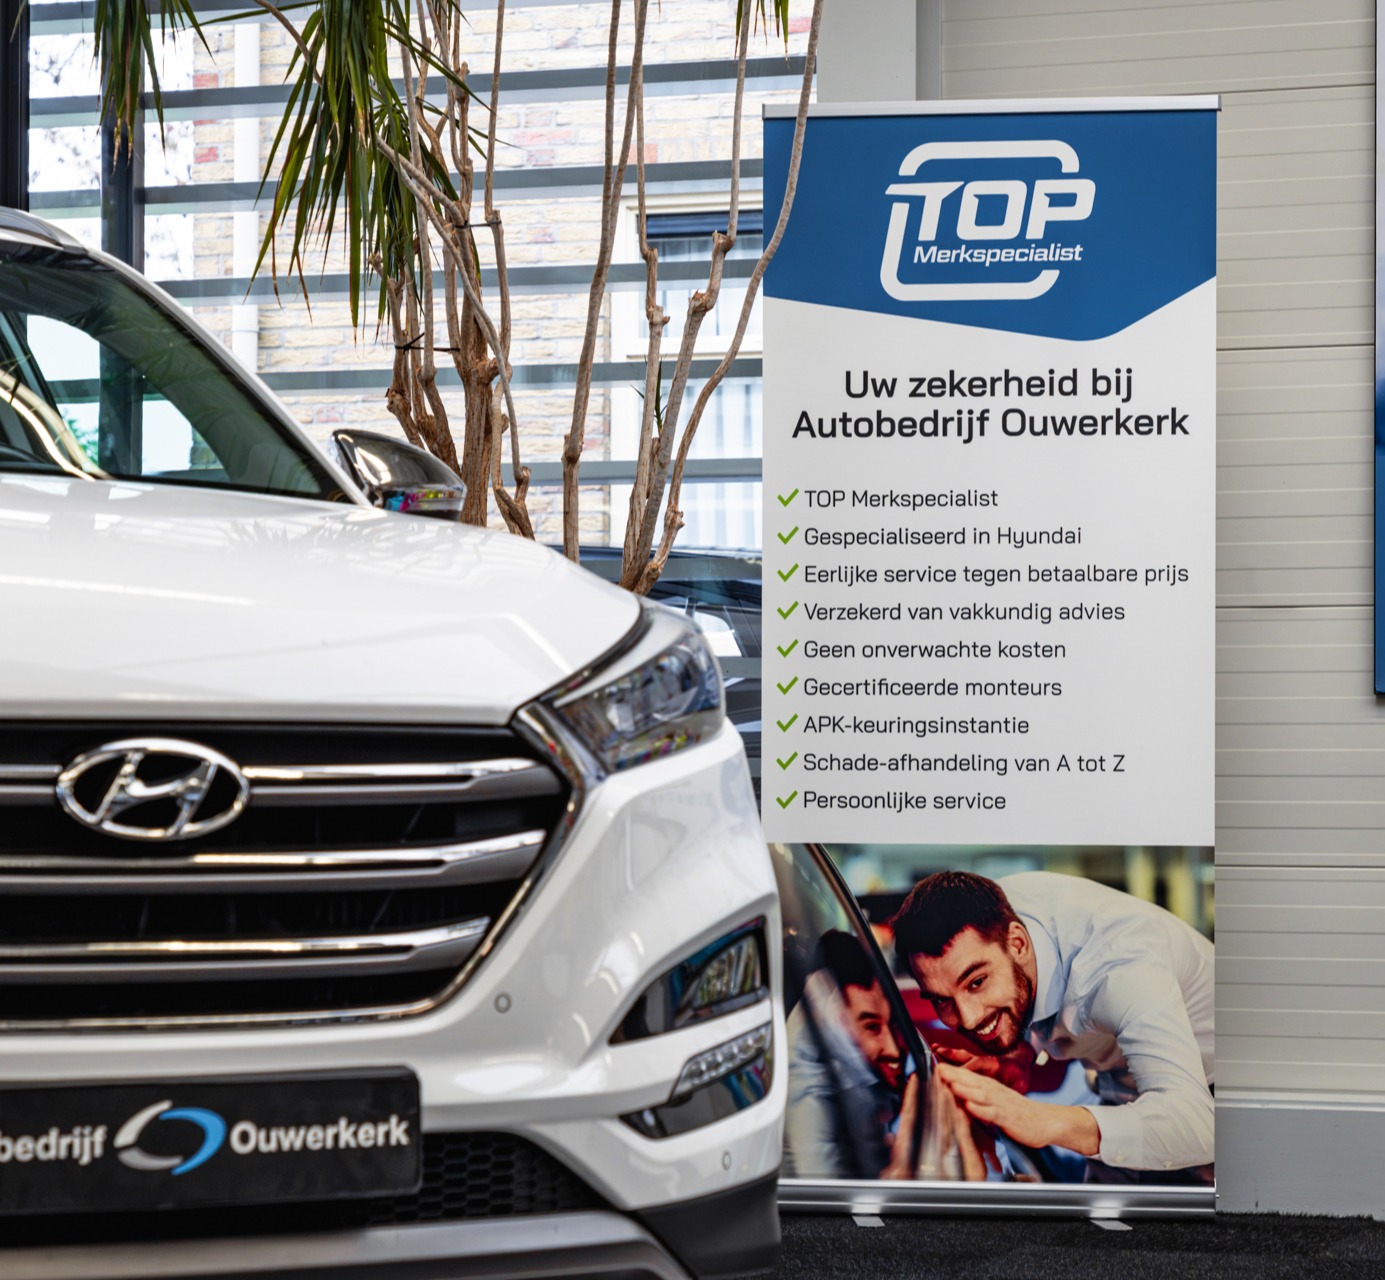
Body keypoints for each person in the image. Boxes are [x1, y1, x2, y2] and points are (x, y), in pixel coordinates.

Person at [891, 870, 1214, 1177]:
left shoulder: (1122, 971)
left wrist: (1040, 1120)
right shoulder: (985, 911)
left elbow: (1197, 1124)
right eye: (941, 1000)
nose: (968, 1018)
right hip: (1119, 1096)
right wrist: (1019, 1056)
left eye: (976, 982)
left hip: (1208, 1100)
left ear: (1018, 944)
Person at [782, 929, 916, 1179]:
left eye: (893, 1023)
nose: (893, 1048)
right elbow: (824, 1196)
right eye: (872, 1028)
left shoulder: (847, 1062)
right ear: (834, 1022)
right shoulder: (809, 1097)